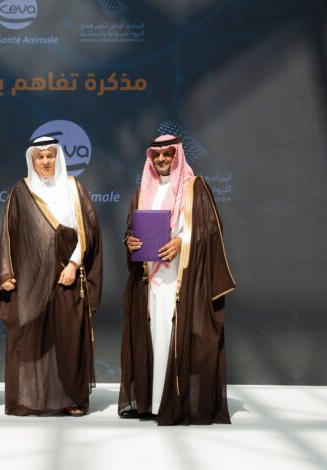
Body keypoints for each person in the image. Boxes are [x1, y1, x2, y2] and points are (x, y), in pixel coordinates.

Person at [118, 134, 235, 425]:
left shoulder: (195, 188)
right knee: (153, 337)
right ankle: (154, 402)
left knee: (175, 337)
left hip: (181, 279)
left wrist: (182, 242)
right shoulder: (143, 191)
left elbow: (210, 231)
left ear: (177, 156)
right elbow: (132, 228)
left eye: (167, 155)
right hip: (149, 280)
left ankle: (178, 402)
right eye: (156, 155)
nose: (161, 160)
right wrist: (129, 241)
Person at [0, 136, 102, 416]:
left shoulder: (74, 188)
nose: (45, 161)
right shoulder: (21, 191)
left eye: (49, 156)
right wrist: (6, 273)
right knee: (33, 339)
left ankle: (73, 398)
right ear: (32, 159)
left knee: (69, 339)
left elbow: (87, 231)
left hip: (67, 277)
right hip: (32, 281)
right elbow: (8, 235)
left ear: (58, 157)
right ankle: (30, 399)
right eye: (39, 157)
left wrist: (73, 265)